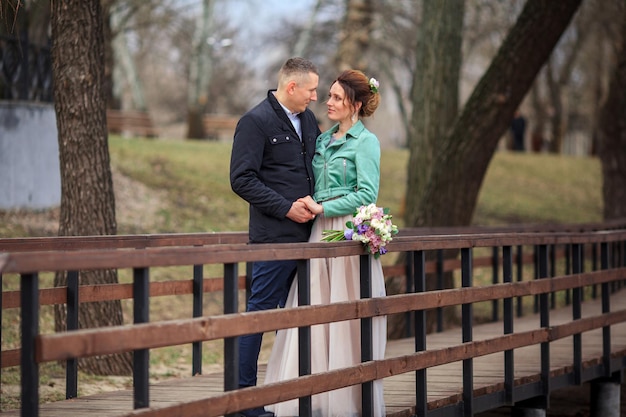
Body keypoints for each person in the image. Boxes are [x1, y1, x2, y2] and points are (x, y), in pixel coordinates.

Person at [264, 69, 387, 417]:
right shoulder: (322, 140)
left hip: (346, 234)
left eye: (335, 97)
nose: (327, 102)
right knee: (314, 308)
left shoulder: (366, 143)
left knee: (346, 314)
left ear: (356, 104)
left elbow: (367, 193)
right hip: (319, 231)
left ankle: (346, 400)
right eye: (328, 95)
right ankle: (310, 395)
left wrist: (325, 207)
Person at [230, 57, 321, 417]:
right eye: (312, 89)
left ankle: (300, 394)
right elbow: (241, 179)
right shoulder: (255, 122)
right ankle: (243, 404)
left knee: (306, 316)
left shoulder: (310, 121)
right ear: (292, 87)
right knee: (260, 315)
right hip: (274, 238)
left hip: (312, 239)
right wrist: (285, 207)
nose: (315, 96)